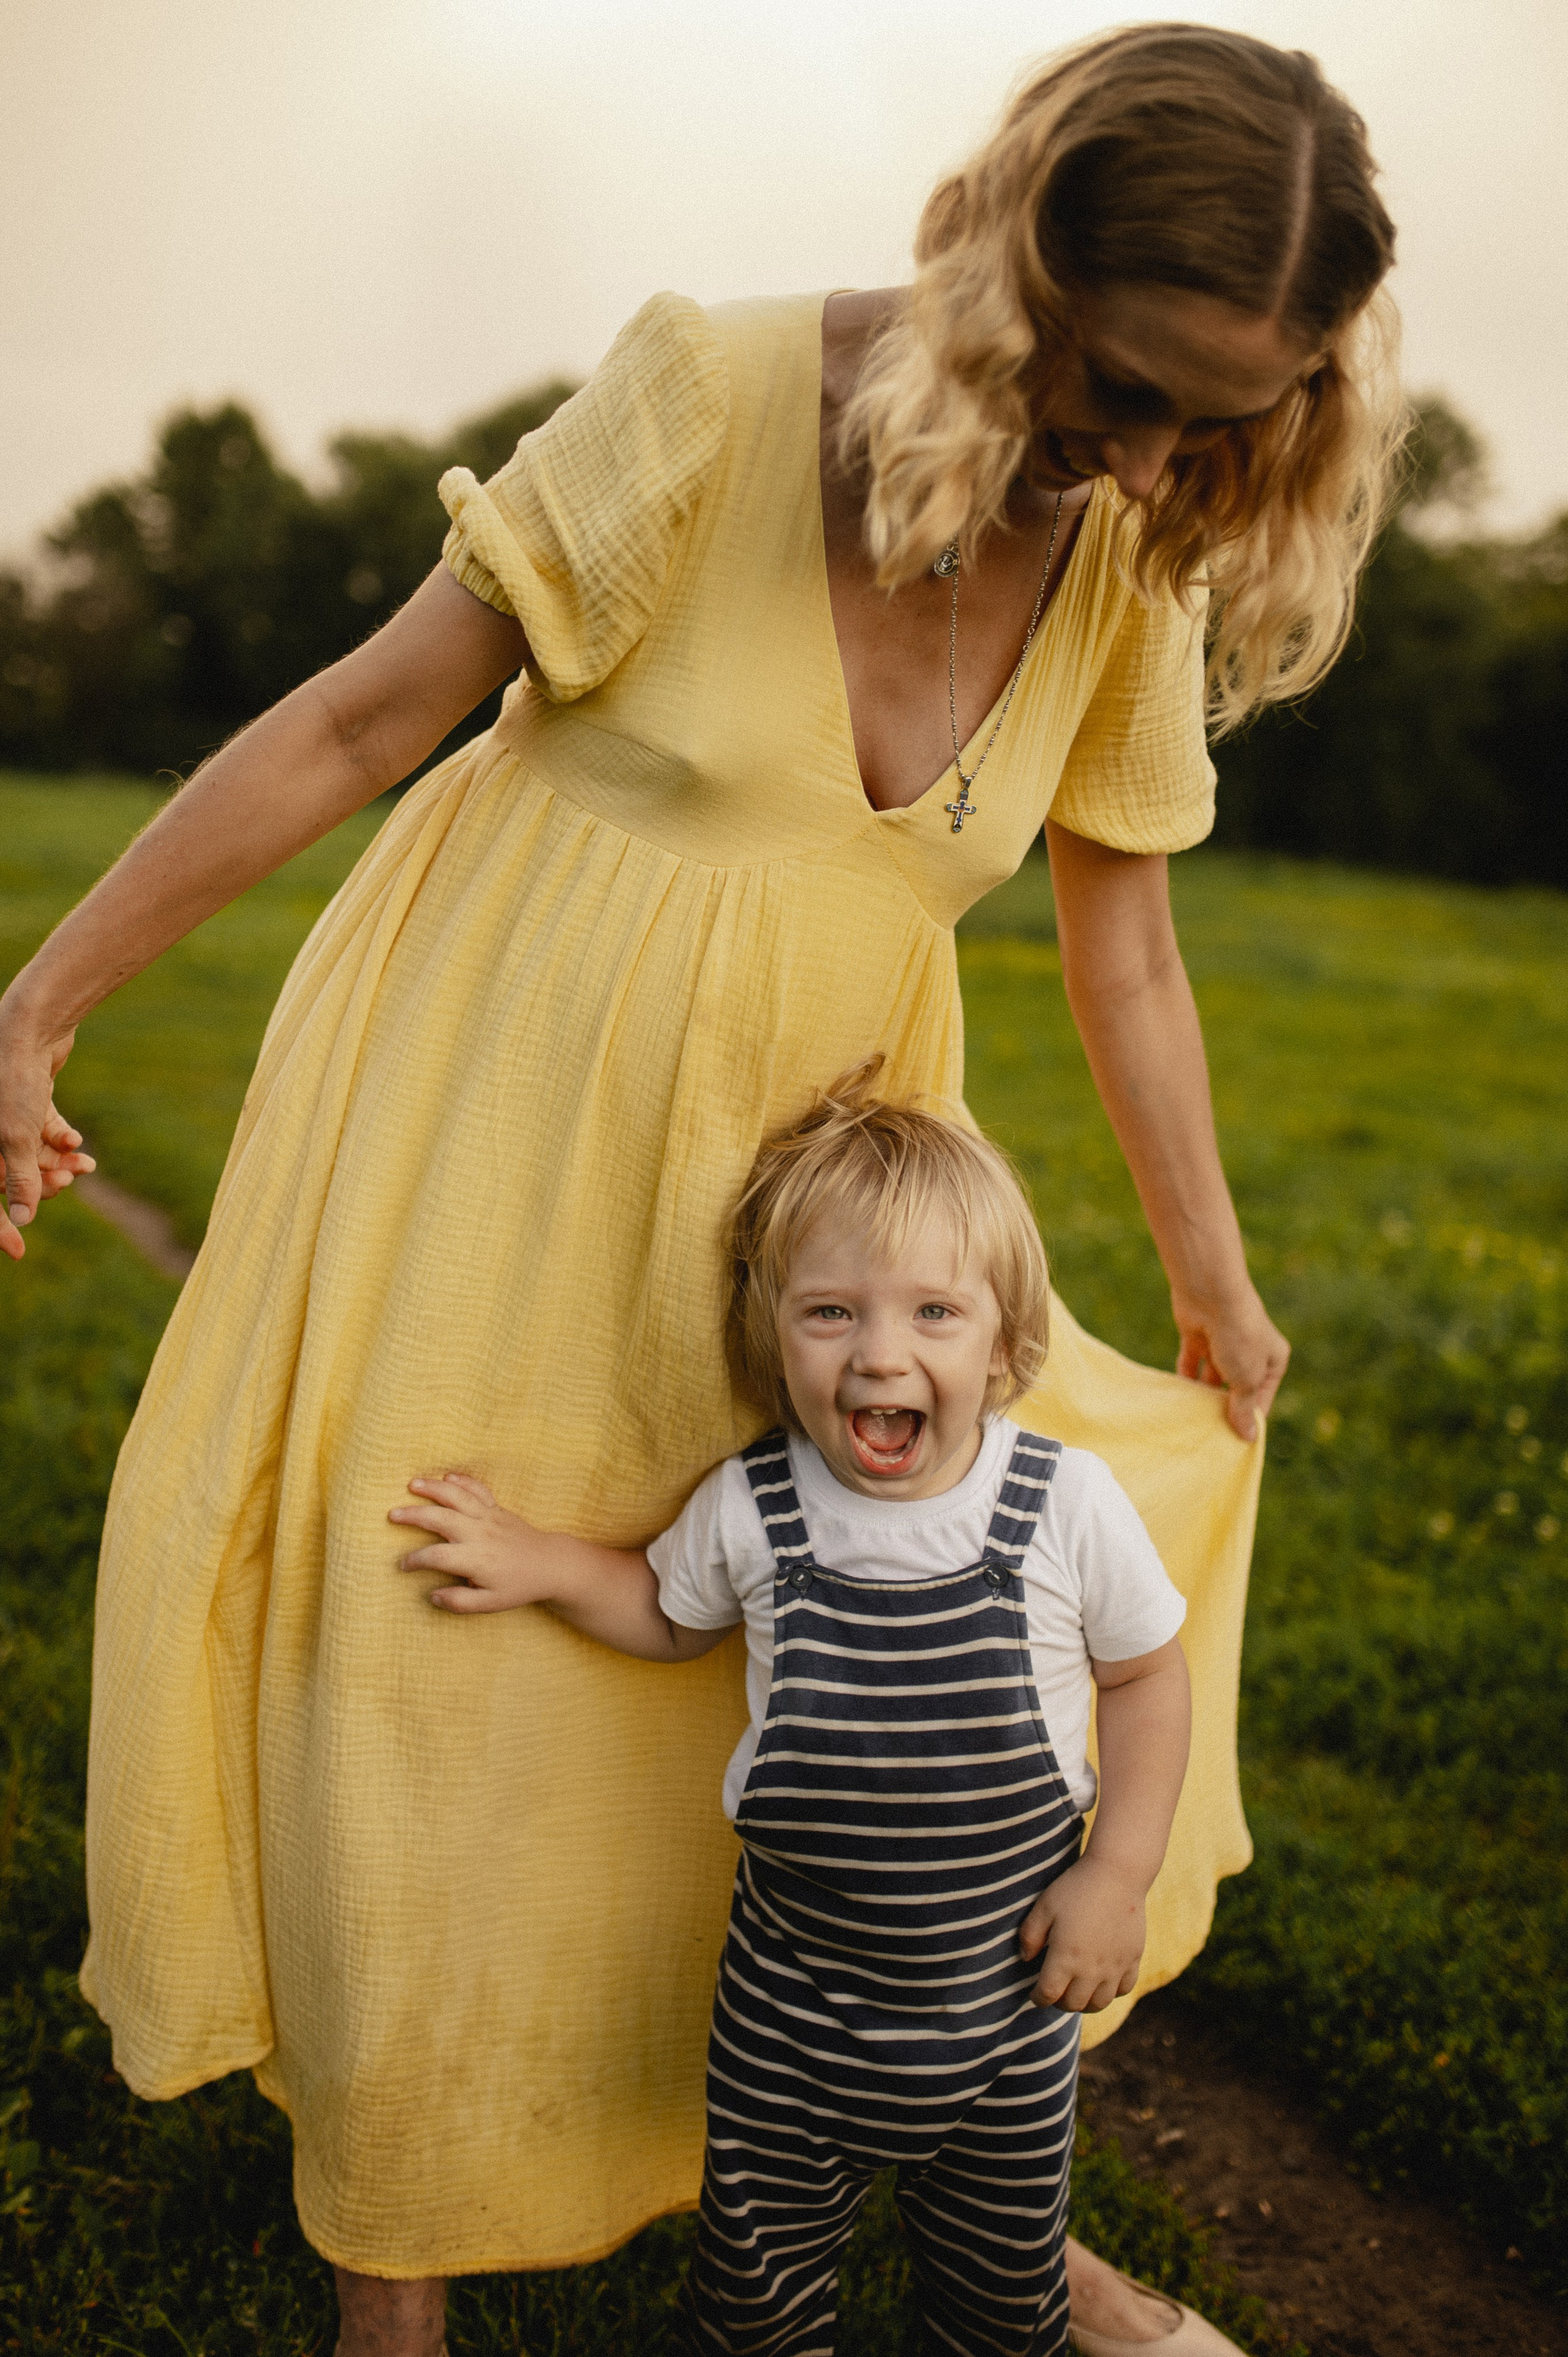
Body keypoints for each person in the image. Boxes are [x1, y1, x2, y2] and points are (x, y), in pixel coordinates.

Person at [0, 23, 1402, 2355]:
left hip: (817, 1213)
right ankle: (394, 2281)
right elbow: (366, 716)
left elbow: (1129, 947)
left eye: (1222, 421)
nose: (1157, 460)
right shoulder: (718, 393)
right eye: (1124, 389)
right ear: (1020, 272)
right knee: (440, 1660)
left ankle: (989, 2208)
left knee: (871, 1666)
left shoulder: (1135, 551)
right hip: (490, 1122)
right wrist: (36, 1007)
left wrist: (1214, 1280)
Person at [388, 1071, 1210, 2356]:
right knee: (757, 2290)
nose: (879, 1353)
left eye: (934, 1312)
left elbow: (1148, 1675)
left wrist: (1118, 1872)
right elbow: (667, 1613)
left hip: (1000, 2015)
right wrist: (541, 1560)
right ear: (774, 1338)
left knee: (1000, 2298)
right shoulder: (755, 1505)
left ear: (1002, 1344)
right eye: (831, 1311)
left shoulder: (1062, 1505)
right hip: (790, 2019)